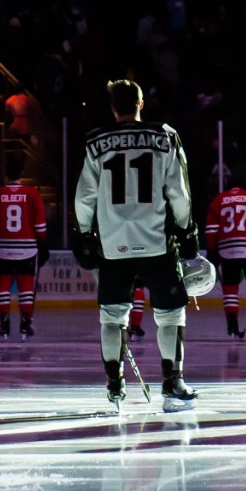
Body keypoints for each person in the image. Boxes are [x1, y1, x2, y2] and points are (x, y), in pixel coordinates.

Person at [73, 78, 200, 411]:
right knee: (171, 315)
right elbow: (179, 190)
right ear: (141, 104)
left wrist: (84, 233)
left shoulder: (96, 141)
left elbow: (84, 196)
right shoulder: (165, 137)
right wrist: (187, 230)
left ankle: (115, 385)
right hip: (157, 240)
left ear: (114, 108)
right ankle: (173, 381)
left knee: (112, 317)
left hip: (113, 245)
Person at [204, 175, 246, 339]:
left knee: (230, 290)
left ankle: (232, 327)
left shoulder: (218, 200)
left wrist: (212, 250)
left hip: (226, 250)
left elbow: (211, 228)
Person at [0, 175, 49, 340]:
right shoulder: (32, 194)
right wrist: (42, 245)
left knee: (2, 286)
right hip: (27, 248)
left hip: (1, 248)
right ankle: (25, 324)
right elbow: (40, 225)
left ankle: (4, 324)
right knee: (26, 286)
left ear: (6, 175)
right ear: (21, 175)